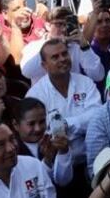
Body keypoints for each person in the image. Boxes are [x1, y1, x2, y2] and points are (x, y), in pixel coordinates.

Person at [25, 39, 104, 172]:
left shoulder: (86, 83)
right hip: (57, 166)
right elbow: (42, 133)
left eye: (64, 54)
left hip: (93, 159)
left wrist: (66, 124)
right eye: (55, 57)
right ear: (44, 65)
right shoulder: (35, 95)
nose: (62, 59)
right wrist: (81, 126)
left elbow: (97, 117)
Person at [11, 97, 75, 189]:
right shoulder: (12, 151)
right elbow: (32, 188)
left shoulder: (54, 141)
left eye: (42, 122)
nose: (38, 129)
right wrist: (47, 160)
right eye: (31, 124)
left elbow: (64, 181)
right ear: (16, 125)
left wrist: (64, 152)